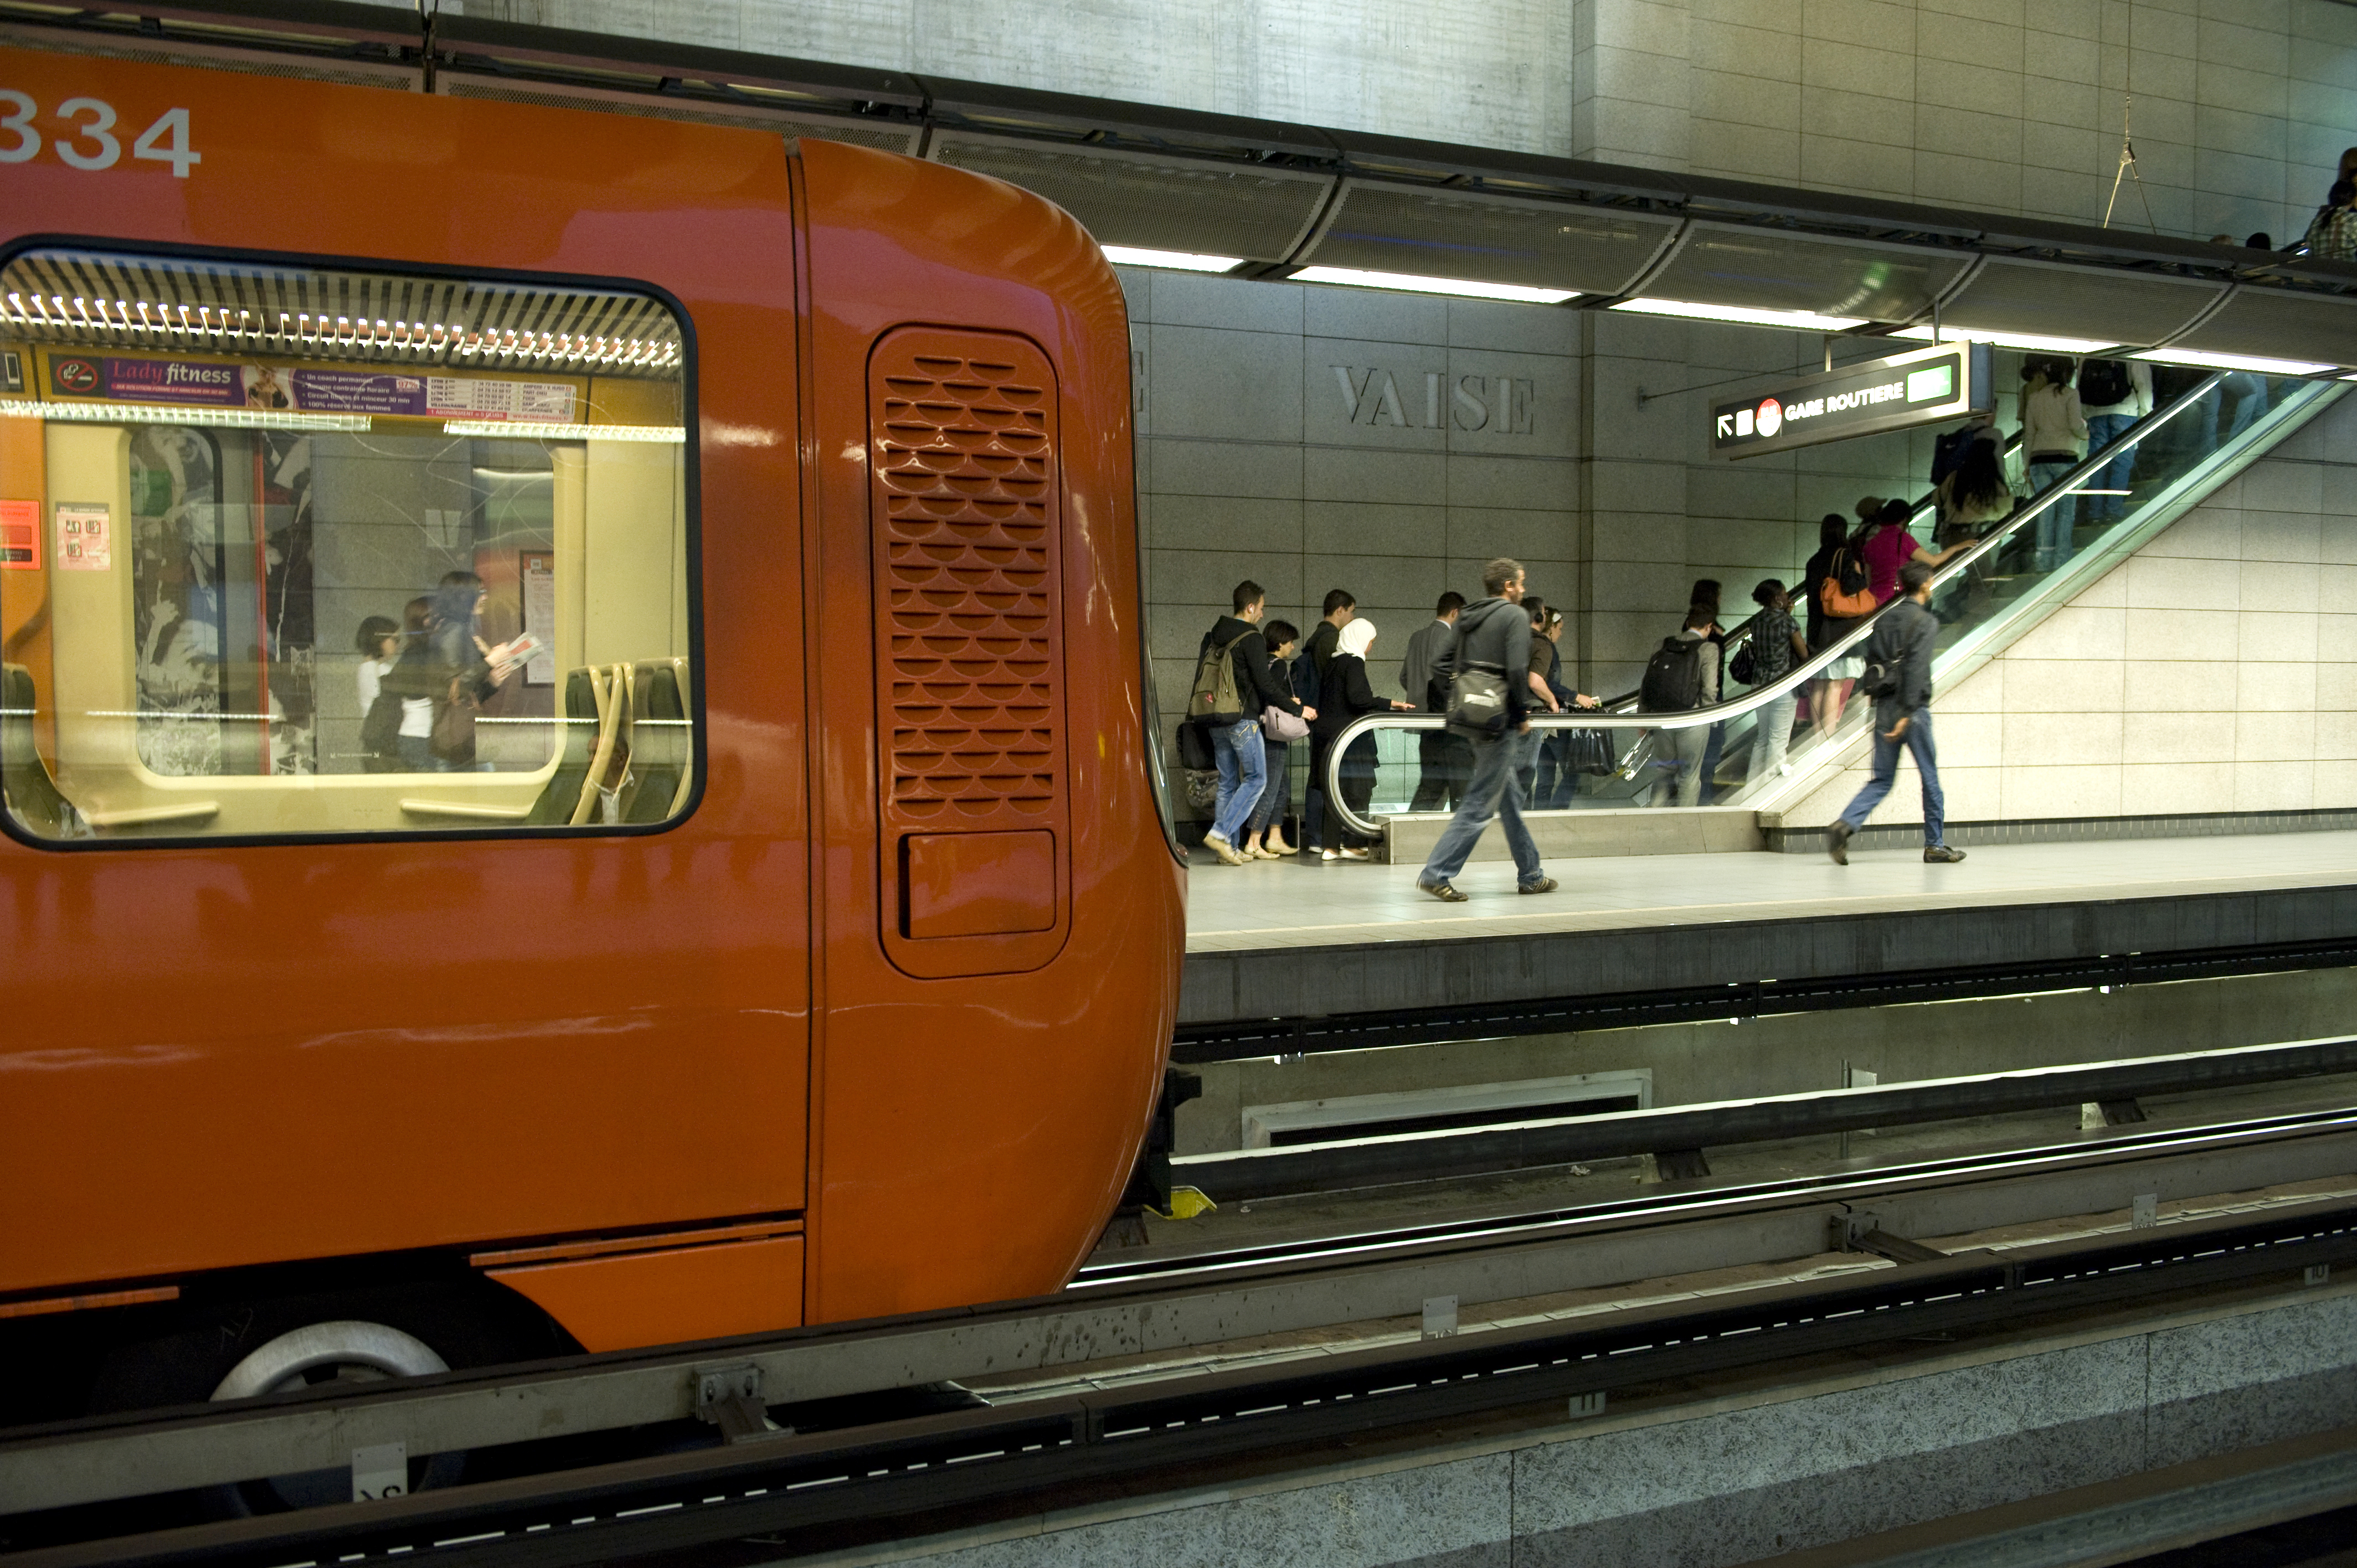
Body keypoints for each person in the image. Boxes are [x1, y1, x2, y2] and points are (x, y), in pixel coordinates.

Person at [1416, 558, 1555, 902]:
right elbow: (1519, 670)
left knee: (1506, 798)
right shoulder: (1515, 616)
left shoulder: (1468, 615)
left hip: (1474, 719)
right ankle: (1437, 873)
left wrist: (1465, 694)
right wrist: (1521, 713)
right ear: (1508, 586)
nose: (1523, 589)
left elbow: (1439, 664)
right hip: (1501, 721)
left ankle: (1531, 874)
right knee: (1480, 801)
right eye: (1520, 583)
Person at [1828, 561, 1964, 865]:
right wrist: (1908, 711)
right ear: (1927, 584)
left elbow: (1875, 664)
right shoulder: (1925, 622)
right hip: (1910, 710)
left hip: (1884, 705)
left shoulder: (1885, 619)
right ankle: (1935, 845)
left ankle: (1845, 824)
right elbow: (1915, 669)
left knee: (1882, 779)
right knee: (1930, 778)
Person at [1193, 580, 1311, 865]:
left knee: (1228, 783)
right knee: (1258, 778)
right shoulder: (1251, 638)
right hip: (1243, 719)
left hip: (1214, 718)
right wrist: (1297, 711)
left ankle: (1229, 850)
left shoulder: (1213, 636)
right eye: (1260, 608)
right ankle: (1221, 834)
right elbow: (1266, 685)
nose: (1262, 614)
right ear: (1249, 607)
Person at [1310, 617, 1412, 861]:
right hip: (1350, 740)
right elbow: (1358, 699)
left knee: (1335, 791)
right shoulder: (1354, 662)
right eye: (1371, 642)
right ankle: (1354, 844)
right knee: (1359, 789)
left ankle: (1331, 846)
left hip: (1329, 738)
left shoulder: (1333, 663)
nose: (1370, 647)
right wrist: (1390, 704)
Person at [1296, 587, 1357, 854]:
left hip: (1315, 717)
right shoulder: (1333, 639)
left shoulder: (1315, 639)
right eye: (1352, 612)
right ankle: (1322, 836)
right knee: (1326, 777)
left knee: (1317, 775)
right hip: (1329, 718)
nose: (1352, 618)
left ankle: (1316, 836)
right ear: (1340, 610)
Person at [1640, 604, 1719, 807]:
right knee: (1689, 774)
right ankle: (1683, 825)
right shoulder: (1708, 648)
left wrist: (1643, 717)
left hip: (1661, 718)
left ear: (1687, 623)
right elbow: (1710, 690)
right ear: (1709, 627)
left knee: (1664, 772)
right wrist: (1709, 718)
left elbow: (1647, 683)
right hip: (1692, 719)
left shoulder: (1663, 645)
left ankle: (1653, 819)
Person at [1400, 591, 1468, 812]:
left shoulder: (1417, 637)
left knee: (1431, 785)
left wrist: (1418, 695)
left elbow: (1404, 677)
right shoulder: (1452, 640)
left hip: (1422, 721)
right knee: (1459, 785)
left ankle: (1413, 830)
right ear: (1455, 612)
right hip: (1447, 723)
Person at [2020, 358, 2088, 572]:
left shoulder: (2035, 398)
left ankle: (2043, 560)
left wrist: (2027, 465)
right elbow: (2076, 425)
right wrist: (2086, 433)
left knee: (2045, 511)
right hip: (2065, 458)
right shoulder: (2071, 395)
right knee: (2066, 512)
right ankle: (2061, 559)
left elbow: (2029, 434)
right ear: (2067, 374)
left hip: (2039, 459)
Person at [1243, 618, 1301, 858]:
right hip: (1273, 734)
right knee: (1270, 787)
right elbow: (1273, 696)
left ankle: (1275, 837)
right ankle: (1254, 841)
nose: (1293, 648)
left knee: (1281, 786)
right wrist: (1293, 702)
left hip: (1259, 731)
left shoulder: (1259, 663)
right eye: (1290, 642)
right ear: (1280, 643)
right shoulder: (1277, 666)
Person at [1742, 579, 1808, 787]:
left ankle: (1752, 788)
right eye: (1785, 593)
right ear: (1777, 598)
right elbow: (1803, 653)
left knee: (1763, 739)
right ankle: (1771, 789)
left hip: (1759, 685)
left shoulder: (1757, 621)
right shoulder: (1788, 623)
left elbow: (1772, 635)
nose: (1788, 595)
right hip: (1782, 684)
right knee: (1778, 740)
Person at [1804, 514, 1862, 740]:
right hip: (1840, 629)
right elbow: (1850, 587)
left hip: (1818, 630)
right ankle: (1828, 739)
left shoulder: (1814, 561)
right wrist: (1858, 572)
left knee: (1819, 684)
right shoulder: (1844, 556)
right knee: (1835, 685)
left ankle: (1818, 738)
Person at [2076, 354, 2152, 522]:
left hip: (2096, 414)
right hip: (2125, 412)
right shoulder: (2131, 347)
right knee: (2122, 464)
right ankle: (2113, 510)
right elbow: (2143, 383)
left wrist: (2087, 414)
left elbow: (2080, 385)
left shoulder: (2091, 350)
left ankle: (2095, 513)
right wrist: (2146, 415)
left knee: (2097, 465)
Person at [1862, 498, 1962, 607]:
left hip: (1874, 600)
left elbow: (1869, 579)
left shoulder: (1871, 543)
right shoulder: (1903, 539)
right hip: (1897, 598)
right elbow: (1933, 562)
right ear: (1905, 519)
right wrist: (1956, 547)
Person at [353, 615, 403, 773]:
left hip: (380, 743)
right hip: (384, 744)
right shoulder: (374, 670)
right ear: (379, 640)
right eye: (394, 640)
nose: (397, 645)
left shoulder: (371, 667)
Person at [2302, 179, 2356, 264]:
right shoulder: (2352, 220)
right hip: (2344, 274)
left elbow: (2308, 246)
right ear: (2353, 199)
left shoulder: (2317, 221)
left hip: (2319, 274)